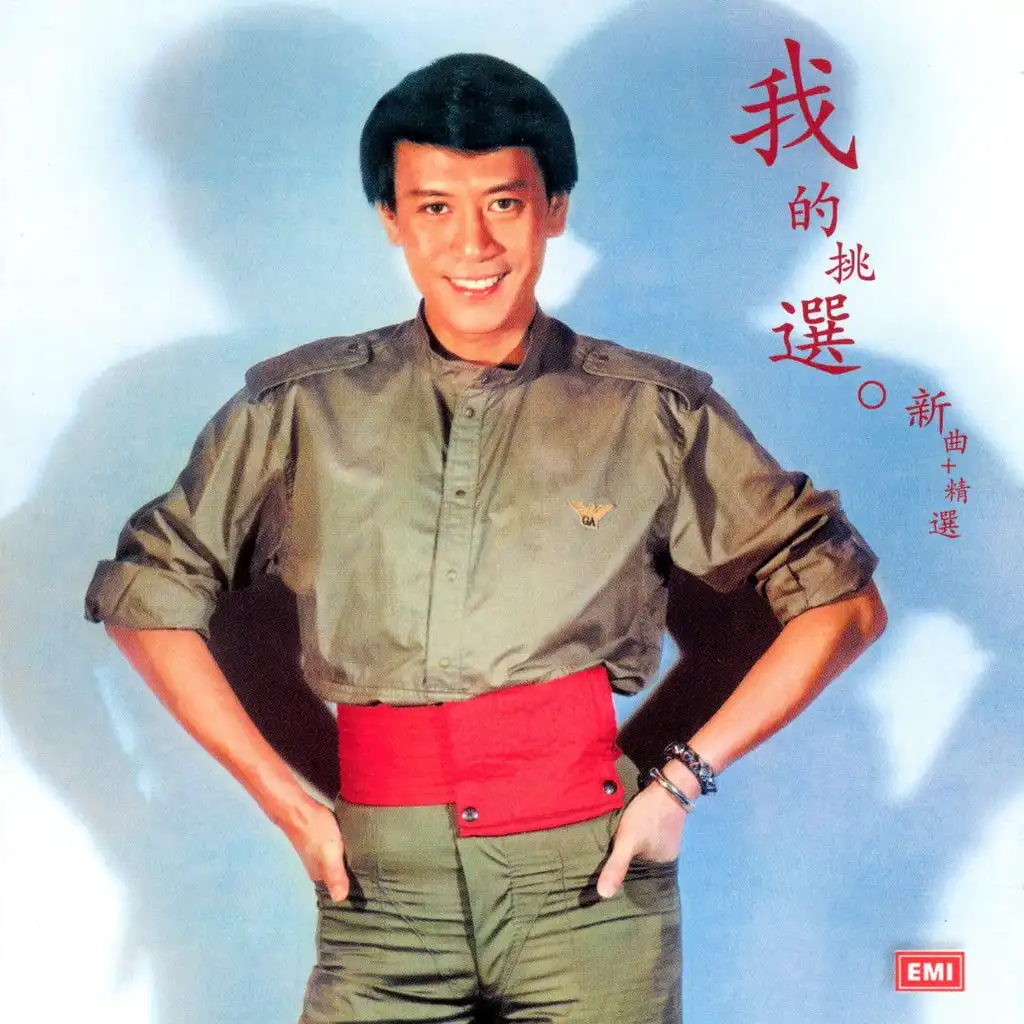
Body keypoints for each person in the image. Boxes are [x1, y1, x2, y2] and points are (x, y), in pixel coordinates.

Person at [85, 53, 886, 1024]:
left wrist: (682, 781)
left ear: (554, 209)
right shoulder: (299, 408)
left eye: (504, 204)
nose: (472, 243)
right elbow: (148, 597)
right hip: (378, 893)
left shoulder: (651, 410)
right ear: (391, 217)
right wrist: (284, 802)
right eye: (433, 207)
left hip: (588, 888)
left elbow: (841, 604)